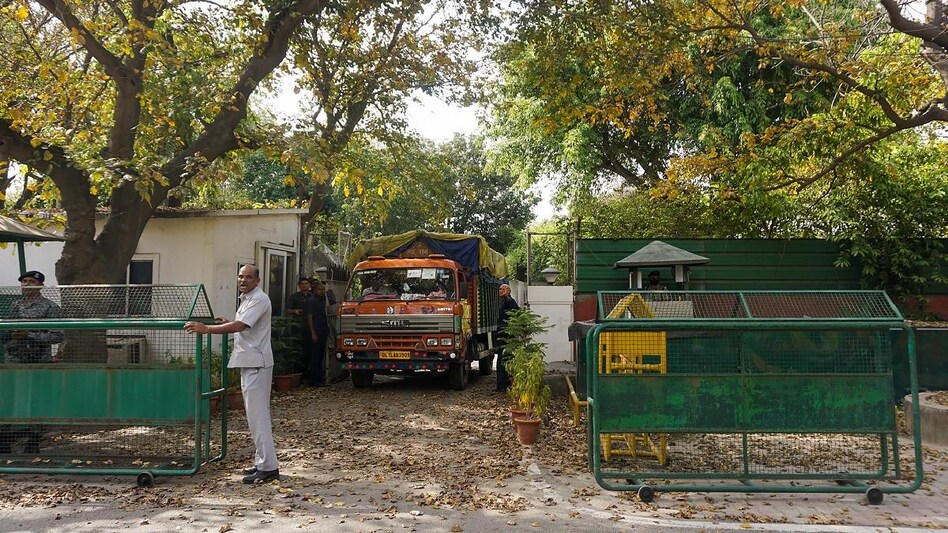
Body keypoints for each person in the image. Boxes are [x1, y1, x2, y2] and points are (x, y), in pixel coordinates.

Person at [184, 264, 279, 484]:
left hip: (257, 363)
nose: (243, 280)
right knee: (254, 416)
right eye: (240, 276)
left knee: (259, 417)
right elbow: (241, 325)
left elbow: (240, 326)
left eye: (248, 277)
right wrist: (226, 324)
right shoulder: (247, 299)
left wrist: (207, 329)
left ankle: (268, 467)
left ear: (257, 280)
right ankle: (262, 462)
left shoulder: (260, 299)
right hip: (249, 361)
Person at [1, 270, 63, 455]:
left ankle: (33, 440)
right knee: (9, 399)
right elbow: (5, 332)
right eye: (24, 281)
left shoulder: (49, 307)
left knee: (35, 399)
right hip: (14, 360)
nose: (26, 284)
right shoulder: (15, 306)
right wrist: (12, 335)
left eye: (31, 281)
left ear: (40, 285)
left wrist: (30, 334)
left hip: (37, 361)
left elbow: (58, 334)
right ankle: (5, 440)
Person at [305, 279, 337, 387]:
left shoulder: (323, 300)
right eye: (320, 289)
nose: (322, 291)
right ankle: (313, 380)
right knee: (315, 356)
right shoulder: (312, 301)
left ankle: (319, 379)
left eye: (323, 289)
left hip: (324, 329)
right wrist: (313, 332)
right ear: (315, 290)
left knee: (320, 356)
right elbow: (309, 317)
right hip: (316, 330)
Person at [495, 283, 520, 392]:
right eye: (500, 289)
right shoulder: (502, 303)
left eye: (503, 289)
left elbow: (510, 303)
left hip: (508, 337)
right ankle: (501, 386)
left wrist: (506, 296)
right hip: (502, 337)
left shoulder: (510, 302)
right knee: (501, 362)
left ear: (508, 291)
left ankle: (506, 386)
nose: (500, 291)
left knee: (506, 361)